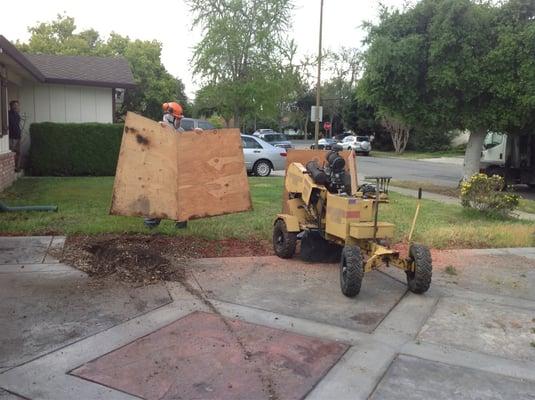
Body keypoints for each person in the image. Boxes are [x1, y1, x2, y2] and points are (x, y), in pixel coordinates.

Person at [144, 102, 199, 230]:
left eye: (180, 119)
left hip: (177, 171)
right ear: (169, 117)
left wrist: (197, 136)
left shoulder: (180, 131)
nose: (179, 122)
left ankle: (181, 225)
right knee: (159, 197)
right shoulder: (157, 128)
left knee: (180, 198)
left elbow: (188, 148)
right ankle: (150, 224)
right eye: (177, 119)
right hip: (160, 170)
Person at [8, 101, 21, 171]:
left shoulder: (17, 115)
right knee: (12, 152)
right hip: (11, 137)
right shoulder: (8, 114)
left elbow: (17, 125)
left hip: (18, 136)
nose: (16, 106)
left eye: (17, 105)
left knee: (18, 153)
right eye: (14, 105)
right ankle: (11, 168)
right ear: (11, 106)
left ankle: (17, 167)